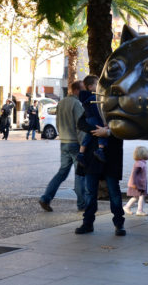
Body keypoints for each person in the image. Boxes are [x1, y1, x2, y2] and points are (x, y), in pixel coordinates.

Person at [74, 74, 126, 237]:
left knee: (114, 191)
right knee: (90, 191)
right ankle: (87, 223)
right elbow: (81, 123)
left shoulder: (116, 103)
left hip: (111, 155)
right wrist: (97, 130)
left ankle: (119, 224)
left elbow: (123, 127)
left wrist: (108, 132)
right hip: (92, 156)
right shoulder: (93, 102)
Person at [39, 81, 86, 212]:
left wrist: (62, 136)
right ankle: (82, 204)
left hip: (64, 142)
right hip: (75, 143)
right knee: (80, 174)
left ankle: (46, 198)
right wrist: (83, 144)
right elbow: (80, 125)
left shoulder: (61, 103)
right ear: (76, 90)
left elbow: (58, 122)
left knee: (62, 173)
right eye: (82, 89)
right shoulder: (76, 104)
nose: (84, 92)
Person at [76, 76, 107, 164]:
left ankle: (81, 153)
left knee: (88, 136)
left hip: (88, 119)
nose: (99, 86)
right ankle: (100, 149)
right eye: (97, 84)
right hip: (94, 118)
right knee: (101, 131)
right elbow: (97, 111)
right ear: (90, 87)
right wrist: (103, 121)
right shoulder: (94, 98)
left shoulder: (86, 97)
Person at [123, 146, 148, 216]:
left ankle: (127, 207)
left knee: (136, 197)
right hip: (137, 184)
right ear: (142, 154)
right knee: (141, 196)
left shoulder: (142, 163)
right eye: (147, 153)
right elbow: (133, 174)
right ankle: (139, 211)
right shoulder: (139, 163)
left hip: (140, 184)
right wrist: (133, 183)